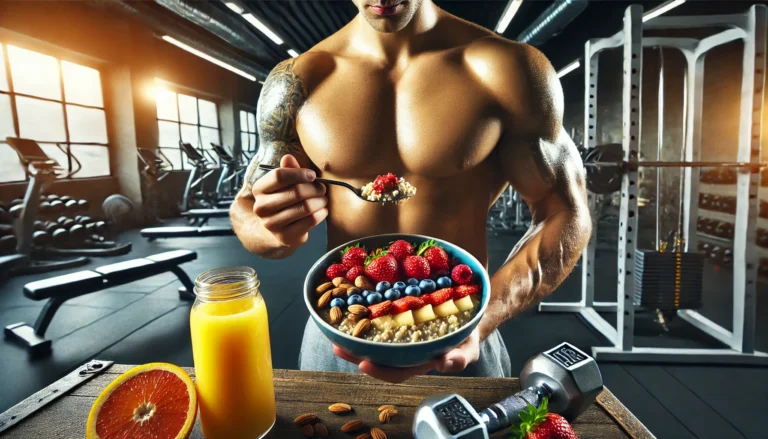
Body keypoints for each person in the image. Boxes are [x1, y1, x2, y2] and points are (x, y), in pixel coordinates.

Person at [230, 0, 591, 383]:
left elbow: (565, 211)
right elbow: (248, 208)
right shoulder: (298, 80)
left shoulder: (507, 69)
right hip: (341, 331)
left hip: (458, 332)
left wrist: (482, 320)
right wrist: (274, 226)